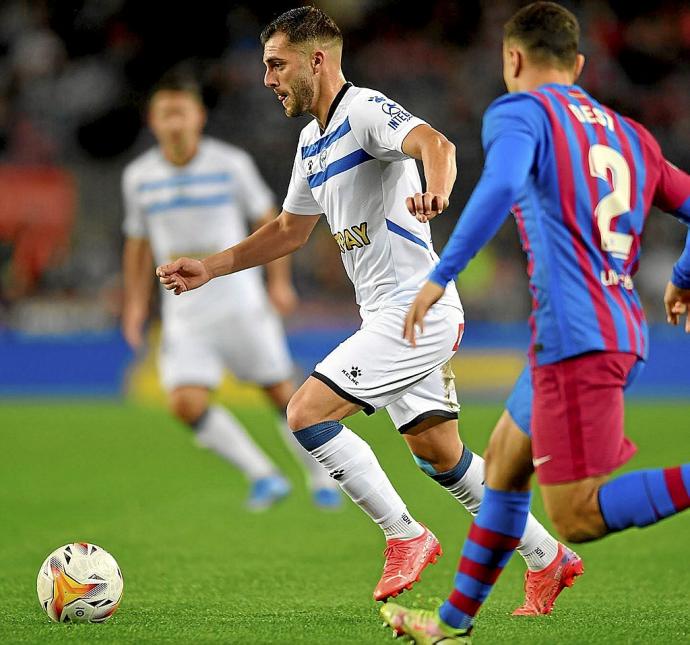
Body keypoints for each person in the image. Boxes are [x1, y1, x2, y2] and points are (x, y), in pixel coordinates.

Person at [156, 7, 574, 608]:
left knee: (305, 415)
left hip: (416, 310)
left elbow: (436, 143)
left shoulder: (364, 111)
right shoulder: (311, 143)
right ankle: (547, 556)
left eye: (276, 65)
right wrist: (209, 267)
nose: (269, 79)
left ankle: (405, 535)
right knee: (441, 455)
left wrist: (437, 187)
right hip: (383, 314)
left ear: (316, 60)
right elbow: (288, 232)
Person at [382, 2, 690, 642]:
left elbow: (498, 186)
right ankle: (450, 624)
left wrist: (441, 275)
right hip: (598, 330)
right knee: (502, 464)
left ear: (512, 59)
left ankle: (457, 618)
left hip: (579, 339)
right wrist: (684, 278)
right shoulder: (634, 136)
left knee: (574, 517)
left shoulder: (521, 112)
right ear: (577, 65)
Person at [121, 73, 342, 511]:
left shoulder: (229, 164)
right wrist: (134, 304)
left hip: (239, 299)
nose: (174, 122)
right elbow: (138, 242)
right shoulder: (139, 176)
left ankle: (322, 476)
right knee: (185, 403)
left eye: (181, 112)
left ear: (199, 117)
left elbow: (272, 221)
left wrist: (279, 282)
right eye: (166, 114)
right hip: (183, 308)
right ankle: (263, 475)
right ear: (153, 121)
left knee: (282, 394)